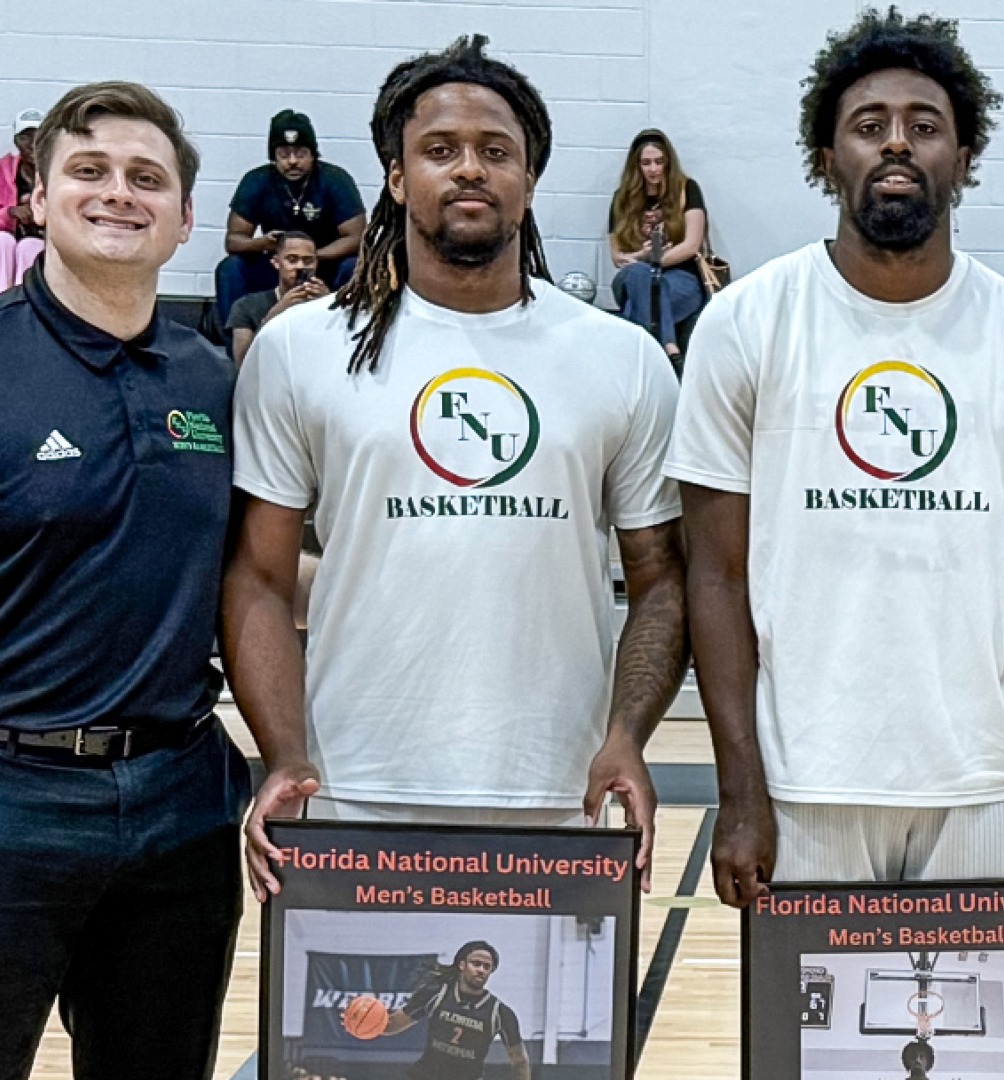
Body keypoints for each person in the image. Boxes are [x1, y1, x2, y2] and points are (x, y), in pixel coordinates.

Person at [668, 9, 1004, 906]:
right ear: (826, 157)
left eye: (924, 126)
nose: (896, 143)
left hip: (987, 781)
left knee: (989, 1010)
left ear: (963, 158)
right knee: (807, 1013)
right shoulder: (746, 324)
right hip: (802, 786)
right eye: (868, 125)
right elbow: (716, 578)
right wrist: (739, 790)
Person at [224, 36, 685, 901]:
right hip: (350, 788)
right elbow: (258, 576)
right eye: (440, 150)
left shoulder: (621, 360)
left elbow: (661, 580)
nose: (470, 168)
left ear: (529, 181)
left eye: (495, 151)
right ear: (397, 179)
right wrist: (283, 752)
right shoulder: (300, 350)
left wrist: (627, 734)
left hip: (562, 793)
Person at [0, 81, 246, 1079]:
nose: (118, 192)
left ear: (184, 218)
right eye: (90, 170)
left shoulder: (210, 379)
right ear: (36, 198)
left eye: (146, 178)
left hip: (180, 802)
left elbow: (248, 572)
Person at [215, 109, 365, 331]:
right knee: (231, 268)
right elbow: (234, 240)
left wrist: (311, 257)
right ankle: (235, 341)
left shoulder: (335, 180)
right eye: (284, 155)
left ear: (313, 155)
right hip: (276, 266)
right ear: (273, 158)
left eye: (301, 154)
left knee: (353, 266)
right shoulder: (257, 181)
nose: (293, 161)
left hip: (324, 264)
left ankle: (349, 335)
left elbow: (357, 237)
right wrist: (263, 244)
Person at [351, 940, 531, 1080]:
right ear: (462, 965)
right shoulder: (436, 994)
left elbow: (519, 1061)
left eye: (487, 967)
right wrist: (362, 1023)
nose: (481, 970)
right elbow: (392, 1024)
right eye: (476, 964)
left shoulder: (500, 1013)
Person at [607, 128, 707, 358]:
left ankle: (645, 356)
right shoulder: (622, 198)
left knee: (638, 305)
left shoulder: (686, 189)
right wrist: (644, 257)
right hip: (634, 276)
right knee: (640, 275)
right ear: (636, 166)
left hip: (681, 277)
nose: (653, 169)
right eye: (646, 163)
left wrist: (656, 261)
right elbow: (617, 257)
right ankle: (670, 347)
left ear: (668, 162)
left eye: (659, 162)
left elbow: (691, 245)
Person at [226, 230, 329, 363]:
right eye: (292, 260)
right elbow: (243, 363)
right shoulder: (246, 306)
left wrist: (331, 306)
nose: (300, 266)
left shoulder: (326, 301)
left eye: (308, 261)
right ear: (276, 262)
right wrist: (273, 316)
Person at [0, 108, 46, 297]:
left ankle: (26, 305)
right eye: (25, 137)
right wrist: (9, 213)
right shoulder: (2, 170)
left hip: (43, 243)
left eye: (38, 136)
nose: (32, 143)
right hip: (5, 247)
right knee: (1, 240)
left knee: (29, 247)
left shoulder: (58, 170)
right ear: (16, 141)